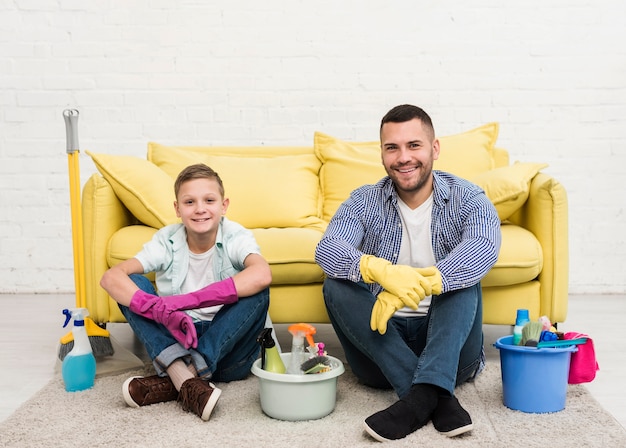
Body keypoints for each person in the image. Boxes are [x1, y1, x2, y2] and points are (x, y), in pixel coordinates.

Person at [314, 104, 501, 441]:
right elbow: (327, 249)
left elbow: (484, 246)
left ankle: (417, 400)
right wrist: (378, 270)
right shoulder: (363, 200)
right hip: (382, 347)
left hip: (451, 348)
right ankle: (435, 394)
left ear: (435, 148)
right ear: (382, 153)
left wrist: (432, 279)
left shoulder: (468, 197)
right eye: (392, 147)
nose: (403, 157)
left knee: (461, 281)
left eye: (414, 145)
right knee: (335, 285)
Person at [100, 163, 272, 421]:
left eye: (209, 200)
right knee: (133, 282)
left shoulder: (236, 235)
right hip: (178, 340)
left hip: (228, 351)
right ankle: (189, 380)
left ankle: (177, 375)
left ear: (223, 206)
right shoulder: (166, 239)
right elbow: (111, 277)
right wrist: (161, 311)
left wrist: (183, 303)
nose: (200, 208)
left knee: (258, 291)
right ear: (177, 208)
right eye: (189, 201)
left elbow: (262, 274)